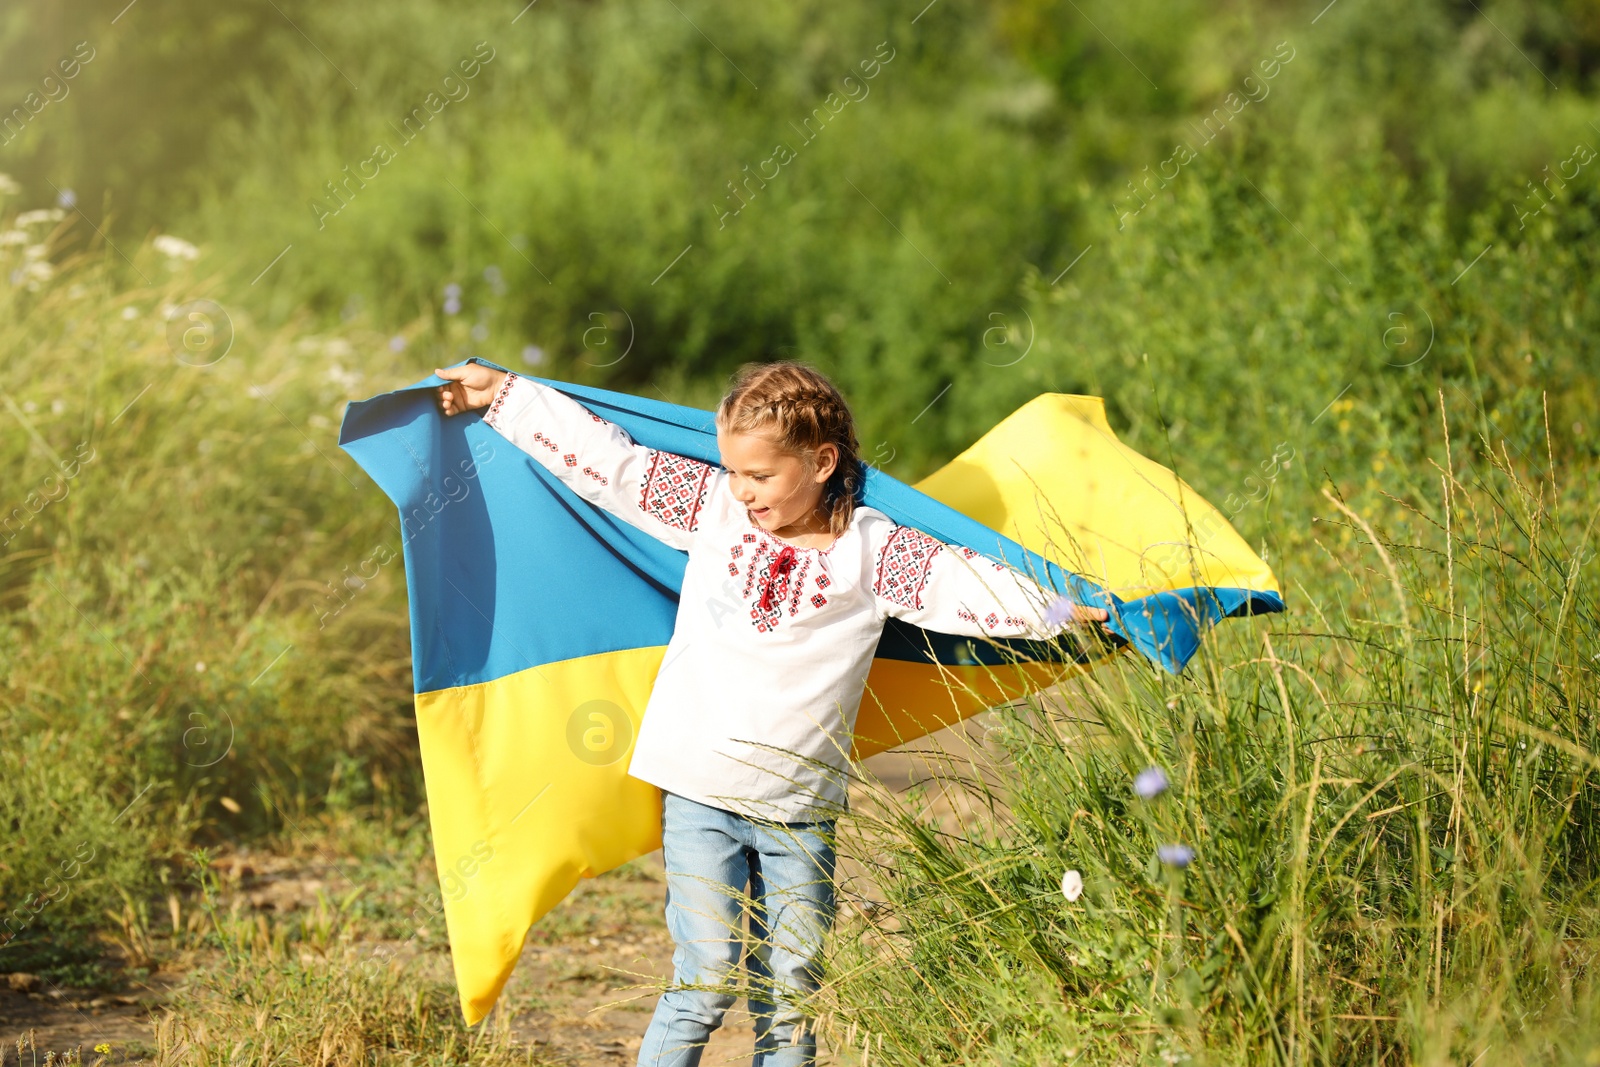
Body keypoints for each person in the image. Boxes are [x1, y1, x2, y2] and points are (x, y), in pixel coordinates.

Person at [433, 358, 1107, 1067]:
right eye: (733, 471)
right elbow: (613, 465)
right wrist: (507, 395)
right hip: (699, 789)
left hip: (799, 807)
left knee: (793, 992)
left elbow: (965, 584)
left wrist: (1066, 611)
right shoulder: (712, 512)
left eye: (760, 476)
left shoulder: (871, 550)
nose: (743, 491)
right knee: (705, 974)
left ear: (821, 461)